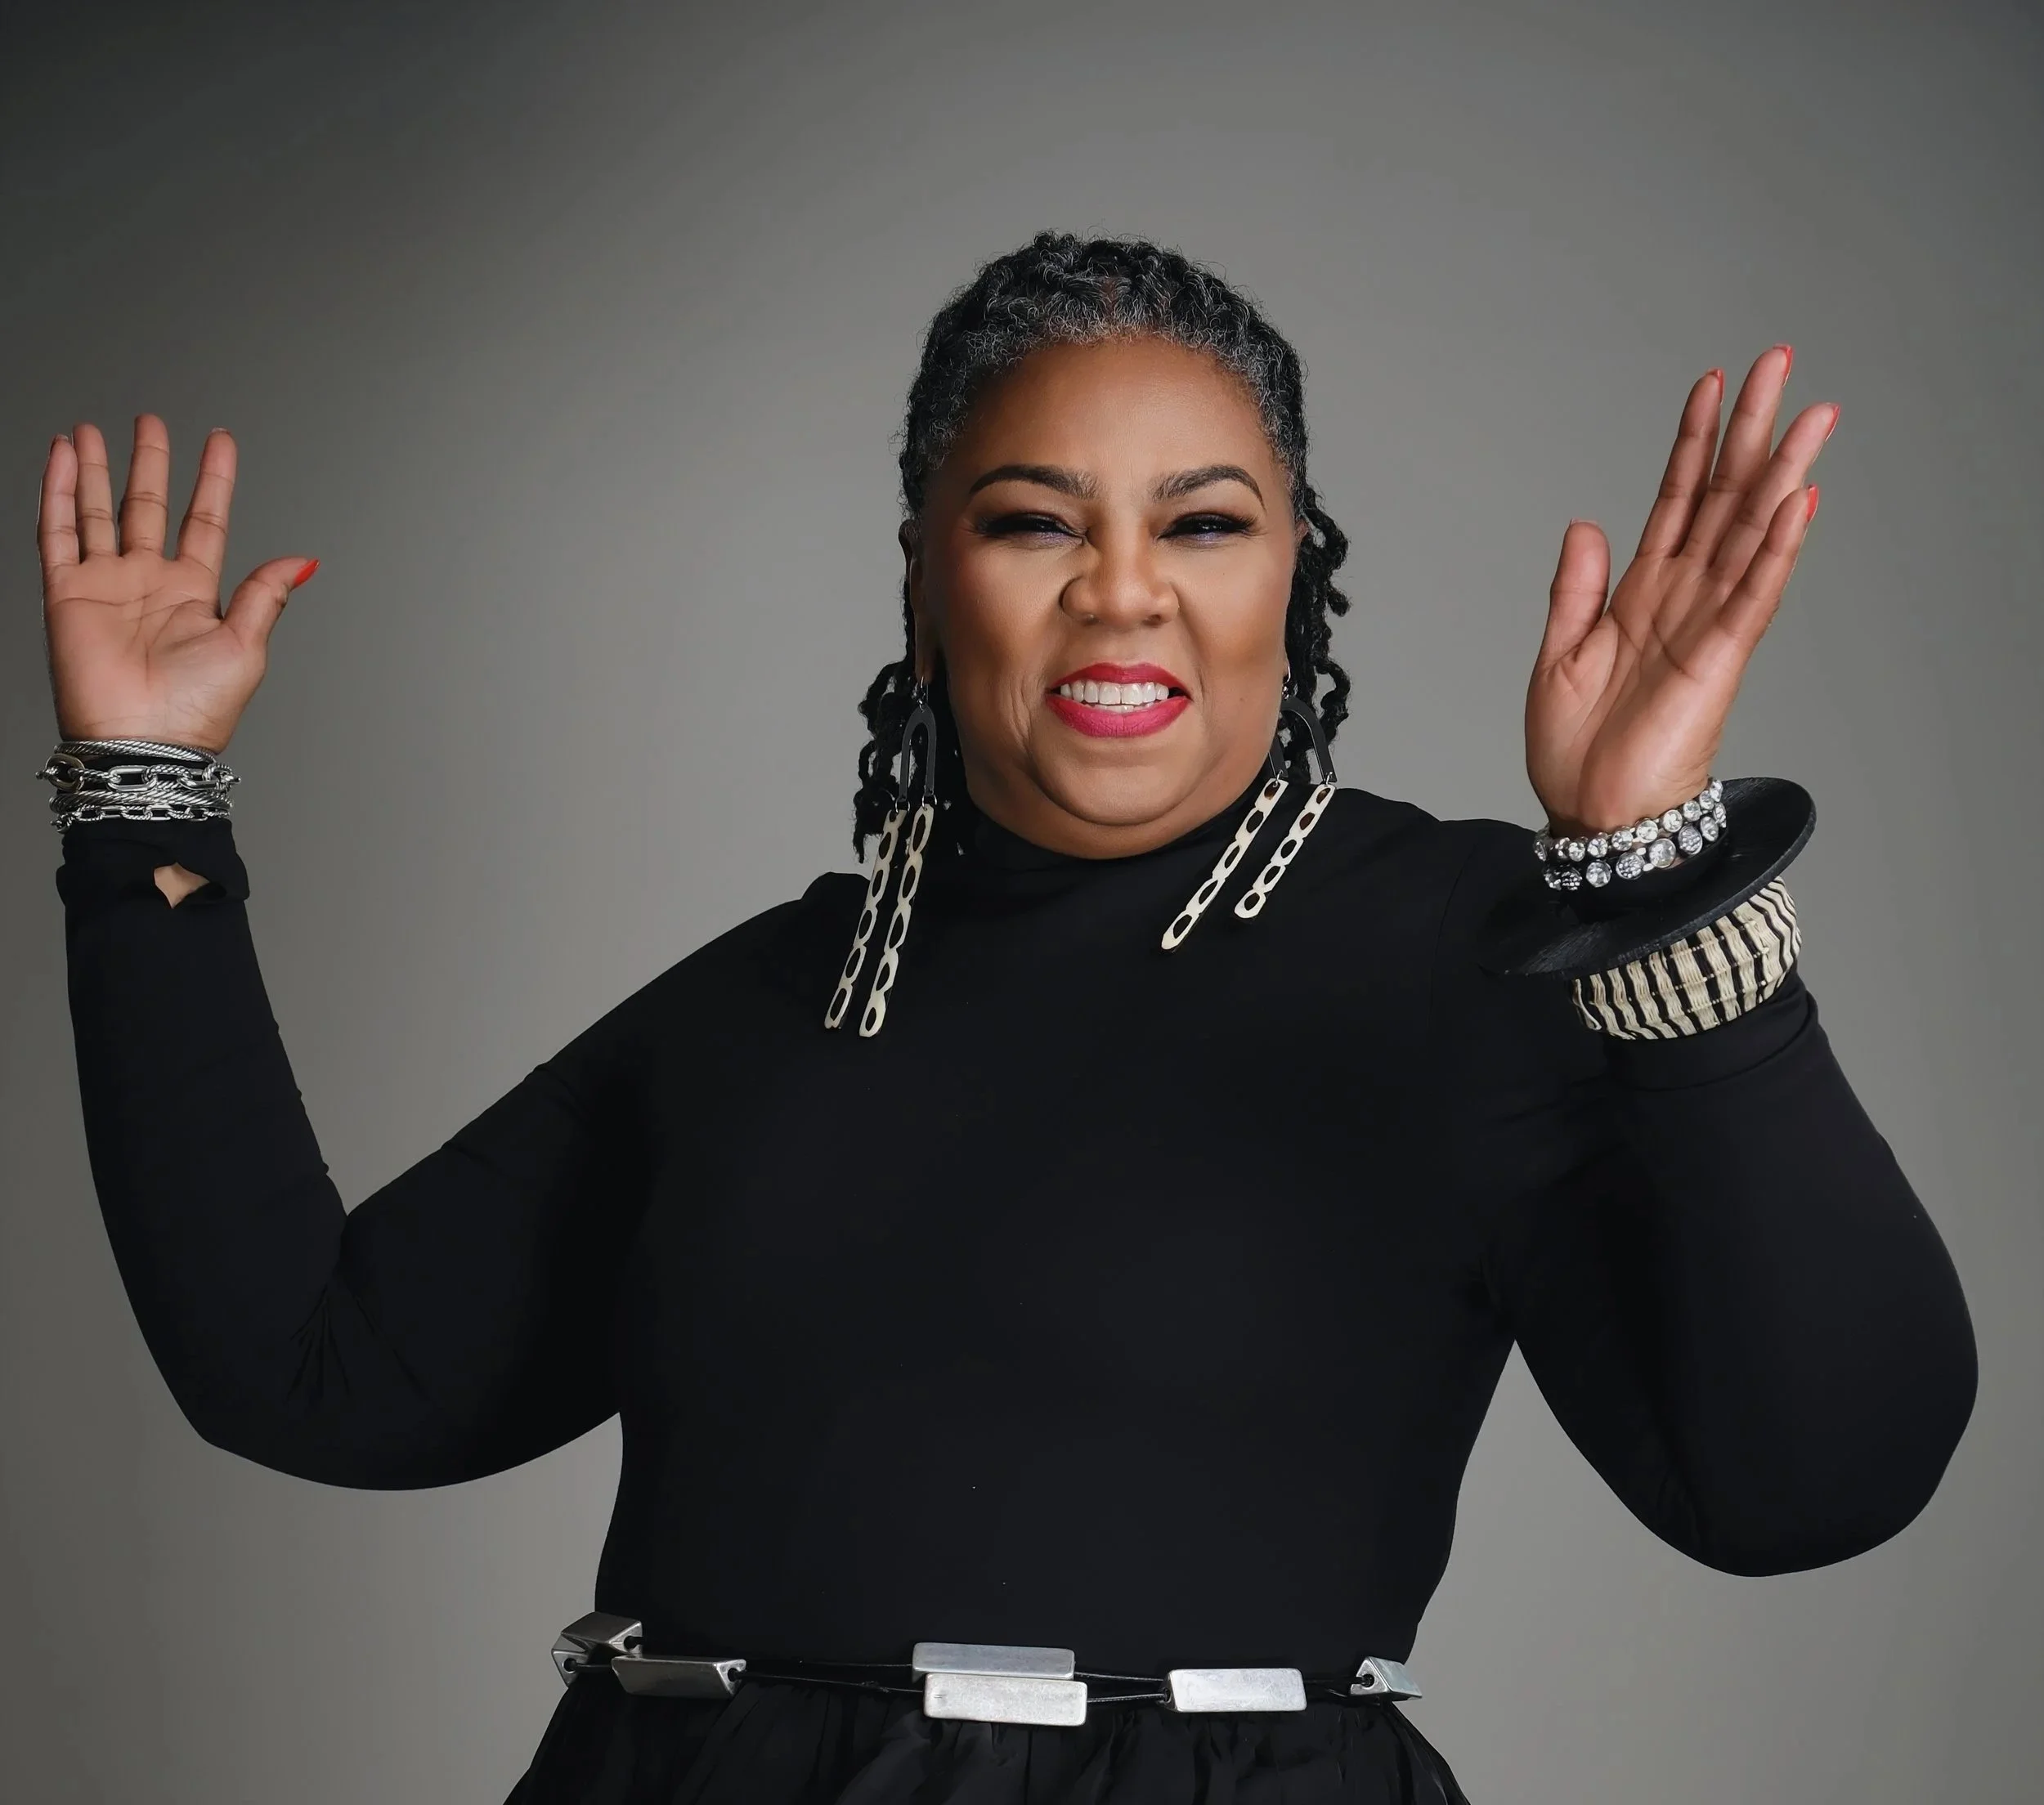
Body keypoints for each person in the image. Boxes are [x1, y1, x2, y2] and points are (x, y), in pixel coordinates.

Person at [38, 232, 1977, 1805]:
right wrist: (144, 806)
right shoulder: (770, 998)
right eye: (1034, 522)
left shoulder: (1465, 949)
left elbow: (1812, 1477)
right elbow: (315, 1370)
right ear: (925, 575)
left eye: (1202, 525)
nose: (1119, 595)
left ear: (1293, 572)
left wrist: (1648, 869)